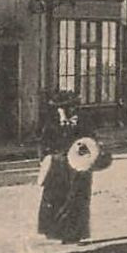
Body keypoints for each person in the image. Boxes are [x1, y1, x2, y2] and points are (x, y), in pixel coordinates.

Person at [36, 92, 96, 243]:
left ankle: (73, 233)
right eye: (63, 107)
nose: (68, 110)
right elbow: (44, 143)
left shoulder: (84, 122)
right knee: (56, 198)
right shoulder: (52, 123)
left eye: (71, 107)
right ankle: (55, 231)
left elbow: (91, 142)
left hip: (79, 165)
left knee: (76, 198)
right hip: (59, 164)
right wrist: (45, 160)